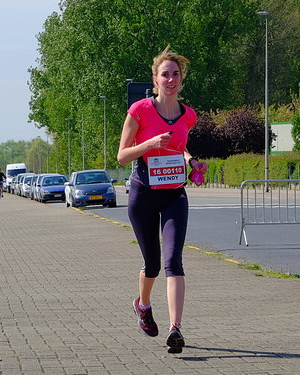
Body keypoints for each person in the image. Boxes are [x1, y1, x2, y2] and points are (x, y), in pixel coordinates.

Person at [117, 46, 207, 354]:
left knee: (173, 261)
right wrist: (149, 143)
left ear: (182, 80)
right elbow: (121, 155)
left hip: (173, 194)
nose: (170, 79)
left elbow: (179, 146)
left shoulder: (188, 115)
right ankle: (142, 304)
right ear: (155, 79)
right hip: (143, 193)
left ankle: (176, 329)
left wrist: (192, 161)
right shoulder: (140, 110)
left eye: (175, 74)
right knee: (152, 264)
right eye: (165, 74)